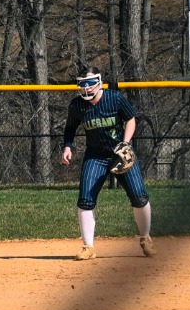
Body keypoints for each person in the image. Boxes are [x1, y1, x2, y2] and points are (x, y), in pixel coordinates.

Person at [61, 67, 153, 260]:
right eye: (82, 84)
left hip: (120, 153)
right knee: (86, 199)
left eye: (90, 83)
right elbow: (70, 128)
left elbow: (131, 119)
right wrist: (67, 146)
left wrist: (125, 144)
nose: (87, 88)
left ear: (99, 82)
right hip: (95, 155)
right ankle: (88, 247)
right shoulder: (77, 105)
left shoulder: (114, 98)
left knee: (139, 196)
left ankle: (146, 238)